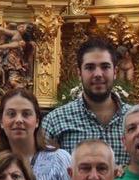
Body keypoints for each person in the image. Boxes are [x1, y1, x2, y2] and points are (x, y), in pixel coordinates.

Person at [42, 38, 130, 166]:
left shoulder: (135, 121)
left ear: (115, 72)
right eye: (90, 67)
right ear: (79, 73)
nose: (98, 74)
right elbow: (45, 175)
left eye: (105, 67)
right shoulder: (55, 122)